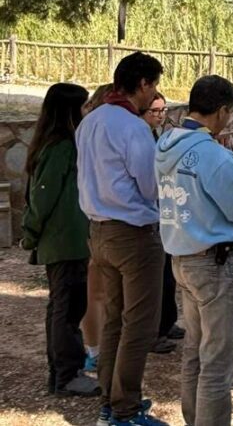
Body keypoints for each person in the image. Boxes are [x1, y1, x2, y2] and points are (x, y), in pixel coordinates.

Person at [156, 76, 233, 426]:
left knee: (195, 354)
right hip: (213, 263)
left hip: (181, 258)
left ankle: (193, 419)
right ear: (223, 111)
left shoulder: (166, 142)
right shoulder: (214, 155)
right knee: (217, 361)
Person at [77, 52, 169, 426]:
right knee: (140, 325)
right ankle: (125, 411)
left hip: (99, 231)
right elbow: (149, 186)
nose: (155, 94)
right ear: (144, 84)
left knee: (115, 319)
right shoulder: (133, 127)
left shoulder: (92, 120)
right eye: (155, 85)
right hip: (133, 234)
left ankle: (110, 402)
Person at [20, 82, 99, 398]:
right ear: (69, 111)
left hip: (70, 242)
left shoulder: (65, 145)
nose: (87, 113)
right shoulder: (61, 148)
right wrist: (31, 232)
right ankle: (67, 375)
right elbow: (43, 197)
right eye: (83, 107)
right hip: (64, 243)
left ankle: (63, 373)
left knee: (64, 308)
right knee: (67, 311)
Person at [140, 93, 182, 355]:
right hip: (150, 214)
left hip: (163, 213)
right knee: (155, 280)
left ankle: (167, 323)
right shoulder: (141, 137)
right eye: (154, 111)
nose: (159, 115)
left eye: (162, 110)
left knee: (168, 275)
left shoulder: (156, 136)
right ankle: (154, 331)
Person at [81, 83, 113, 376]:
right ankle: (94, 350)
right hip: (96, 224)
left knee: (100, 293)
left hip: (94, 221)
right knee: (96, 293)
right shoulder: (98, 132)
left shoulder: (88, 130)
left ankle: (98, 348)